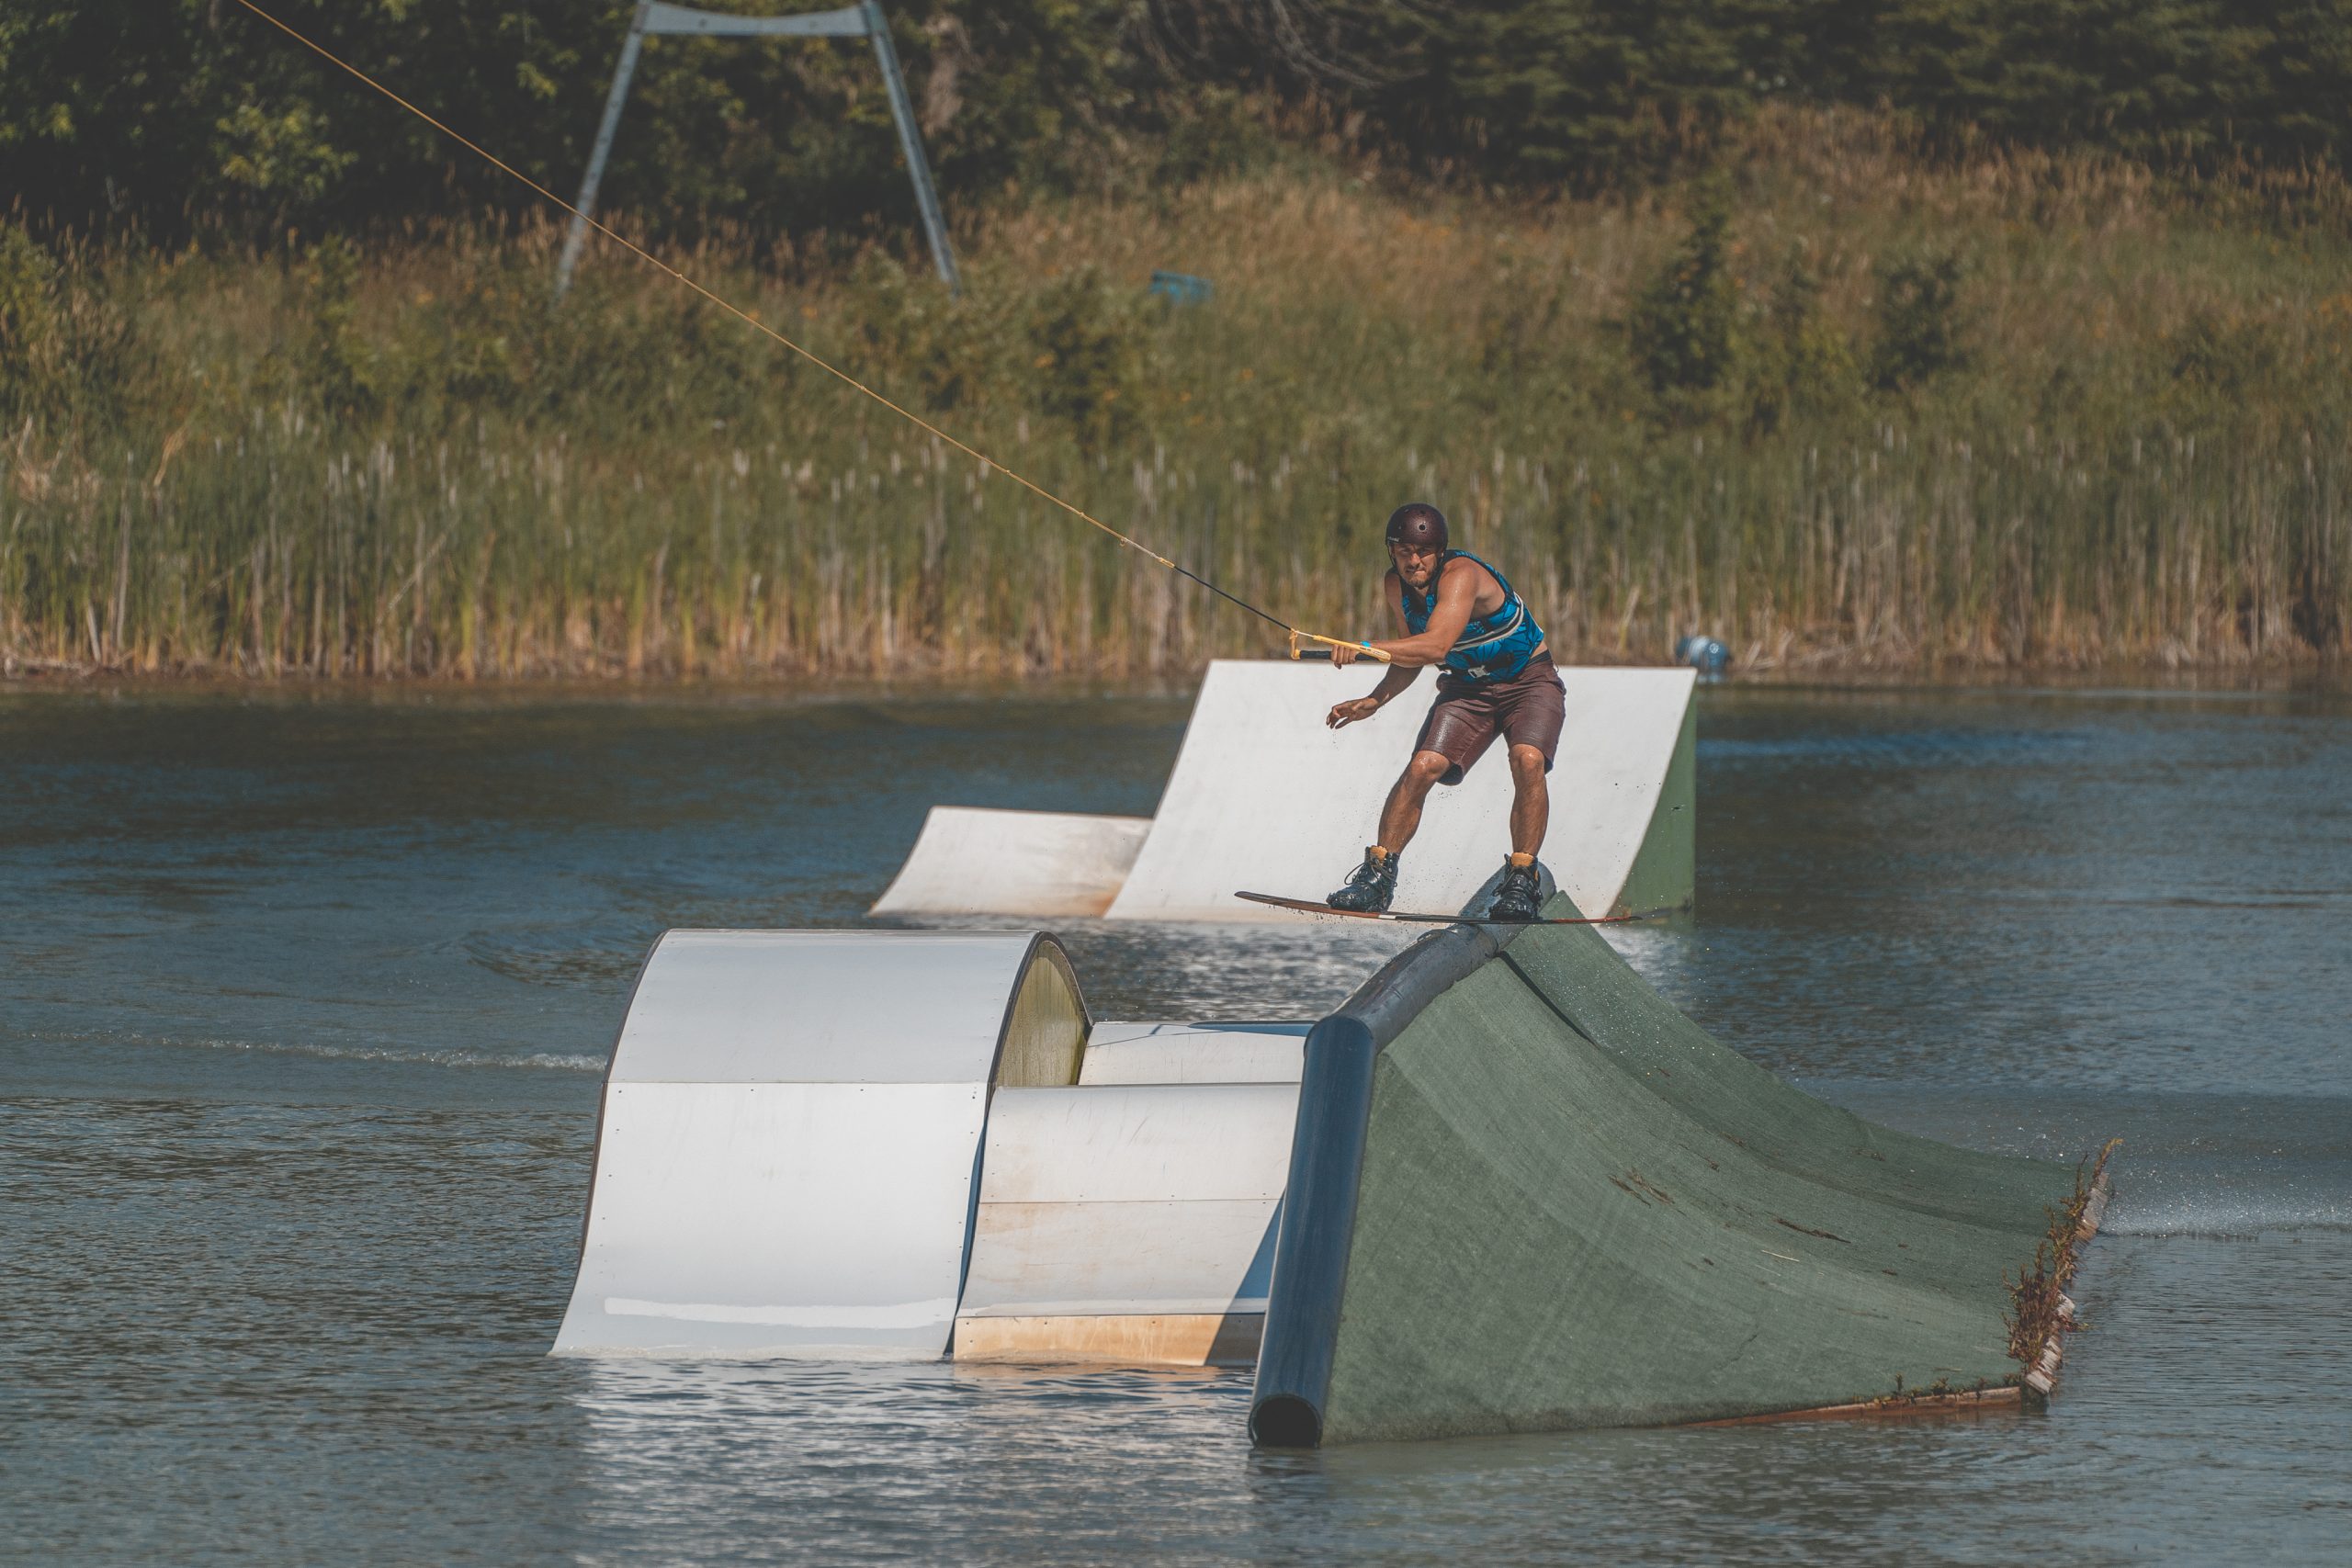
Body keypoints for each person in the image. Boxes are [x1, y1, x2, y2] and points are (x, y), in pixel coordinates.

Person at [1322, 502, 1565, 920]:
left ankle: (1523, 880)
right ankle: (1378, 877)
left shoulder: (1462, 575)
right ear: (1391, 552)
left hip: (1528, 681)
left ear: (1439, 551)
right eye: (1403, 552)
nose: (1413, 561)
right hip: (1467, 687)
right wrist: (1374, 700)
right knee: (1422, 767)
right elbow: (1410, 656)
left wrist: (1362, 647)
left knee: (1527, 760)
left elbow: (1434, 646)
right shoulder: (1395, 586)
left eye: (1424, 552)